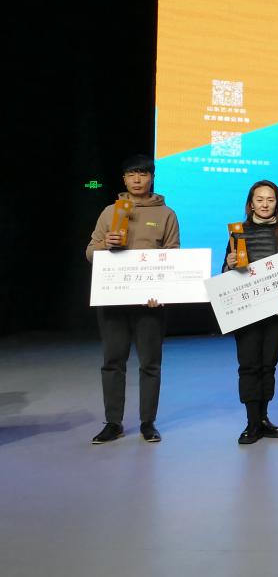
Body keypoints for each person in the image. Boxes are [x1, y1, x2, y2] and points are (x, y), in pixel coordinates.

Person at [85, 154, 180, 445]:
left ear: (152, 178)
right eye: (131, 174)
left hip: (150, 302)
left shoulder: (166, 214)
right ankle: (113, 423)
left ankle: (148, 422)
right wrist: (105, 244)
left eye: (143, 174)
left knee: (150, 363)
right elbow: (90, 252)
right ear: (124, 179)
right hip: (113, 299)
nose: (137, 180)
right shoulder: (110, 212)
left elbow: (173, 255)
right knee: (113, 361)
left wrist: (161, 292)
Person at [222, 180, 278, 445]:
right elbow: (225, 273)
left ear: (277, 203)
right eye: (259, 199)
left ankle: (264, 418)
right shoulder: (238, 232)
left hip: (277, 313)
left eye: (270, 199)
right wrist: (229, 264)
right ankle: (251, 422)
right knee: (249, 365)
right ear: (251, 204)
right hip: (247, 311)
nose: (265, 204)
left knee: (268, 365)